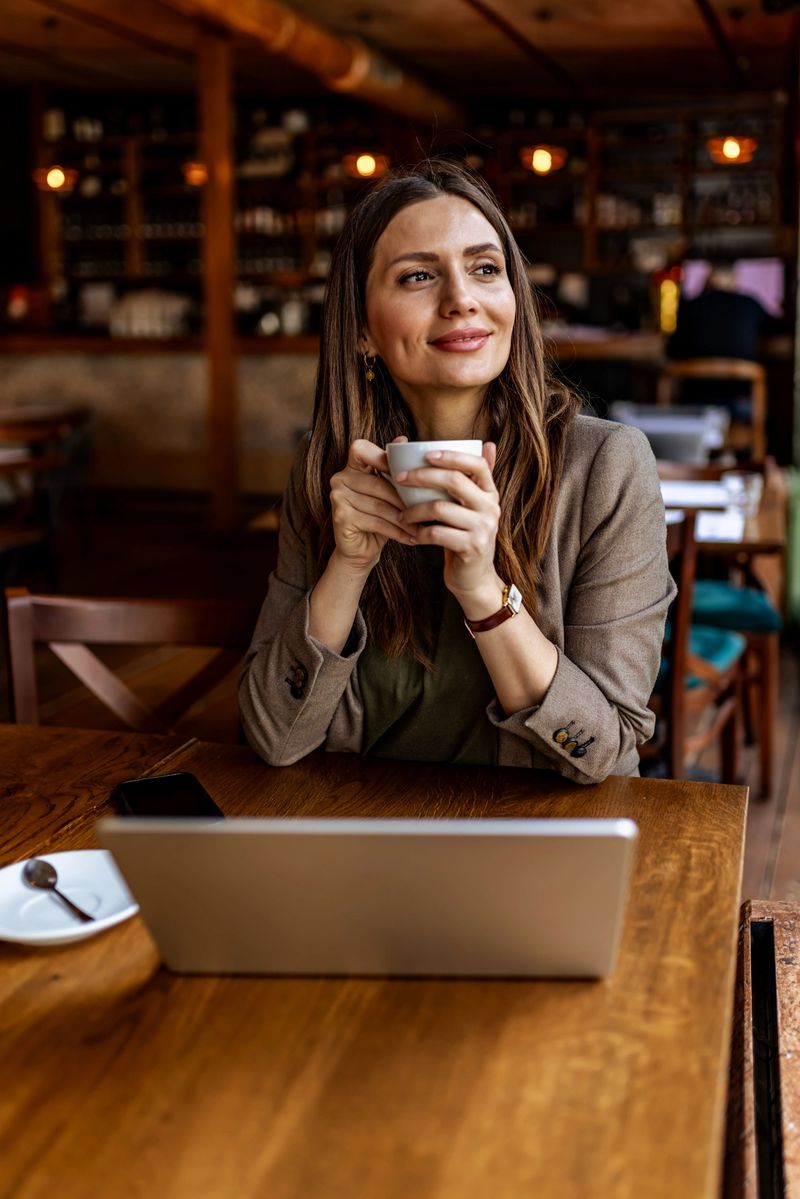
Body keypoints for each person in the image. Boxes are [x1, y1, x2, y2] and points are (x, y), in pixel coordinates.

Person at [240, 159, 675, 784]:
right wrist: (348, 565)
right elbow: (274, 738)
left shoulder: (606, 468)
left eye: (484, 269)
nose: (461, 299)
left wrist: (482, 590)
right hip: (360, 835)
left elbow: (601, 752)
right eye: (418, 275)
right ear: (362, 329)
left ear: (513, 302)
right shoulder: (327, 470)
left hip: (543, 845)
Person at [666, 262, 770, 416]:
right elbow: (778, 330)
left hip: (694, 402)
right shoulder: (750, 304)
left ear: (709, 277)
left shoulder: (691, 306)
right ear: (735, 279)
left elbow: (671, 351)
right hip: (740, 404)